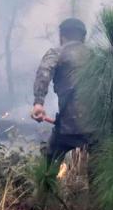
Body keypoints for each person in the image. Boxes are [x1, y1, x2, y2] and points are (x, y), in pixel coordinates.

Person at [30, 18, 93, 163]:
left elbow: (44, 73)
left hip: (68, 125)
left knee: (49, 165)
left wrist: (38, 103)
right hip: (96, 127)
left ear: (61, 36)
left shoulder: (57, 53)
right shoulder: (96, 55)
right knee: (99, 177)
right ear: (83, 37)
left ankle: (47, 184)